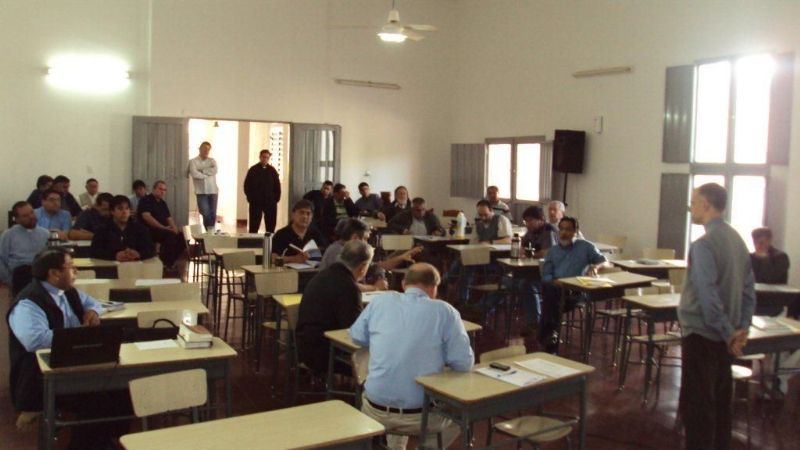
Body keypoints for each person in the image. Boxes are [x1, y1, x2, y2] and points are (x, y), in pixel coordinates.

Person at [7, 247, 131, 448]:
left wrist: (92, 311)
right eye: (71, 267)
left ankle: (99, 442)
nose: (76, 272)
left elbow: (94, 303)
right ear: (54, 273)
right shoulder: (28, 303)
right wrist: (79, 336)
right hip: (40, 374)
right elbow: (35, 341)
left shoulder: (67, 291)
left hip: (73, 363)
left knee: (122, 390)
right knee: (98, 398)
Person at [350, 263, 474, 450]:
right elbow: (464, 363)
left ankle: (396, 447)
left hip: (373, 410)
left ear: (403, 283)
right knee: (462, 415)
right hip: (421, 416)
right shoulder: (445, 311)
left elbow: (357, 337)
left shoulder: (380, 302)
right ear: (434, 288)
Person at [678, 183, 755, 450]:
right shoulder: (737, 241)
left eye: (693, 202)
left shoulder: (704, 245)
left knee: (698, 408)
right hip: (725, 339)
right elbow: (749, 292)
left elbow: (708, 297)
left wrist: (730, 333)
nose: (690, 207)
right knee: (722, 405)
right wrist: (740, 330)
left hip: (702, 336)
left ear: (706, 205)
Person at [296, 240, 372, 374]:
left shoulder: (323, 275)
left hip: (303, 347)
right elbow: (354, 330)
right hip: (324, 356)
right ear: (362, 267)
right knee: (378, 362)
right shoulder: (348, 287)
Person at [538, 216, 607, 353]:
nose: (564, 233)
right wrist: (556, 282)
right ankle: (550, 336)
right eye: (562, 229)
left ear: (575, 231)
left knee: (551, 301)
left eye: (568, 230)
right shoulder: (552, 251)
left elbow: (604, 261)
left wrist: (596, 267)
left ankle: (547, 336)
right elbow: (546, 275)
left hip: (576, 292)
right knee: (552, 291)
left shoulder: (585, 247)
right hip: (557, 288)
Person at [319, 218, 420, 292]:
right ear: (355, 238)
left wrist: (380, 276)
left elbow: (377, 266)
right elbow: (347, 285)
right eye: (366, 239)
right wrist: (375, 288)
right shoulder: (338, 252)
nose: (367, 243)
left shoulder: (354, 251)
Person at [445, 199, 512, 304]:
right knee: (464, 261)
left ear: (491, 210)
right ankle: (461, 297)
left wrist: (490, 242)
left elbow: (508, 240)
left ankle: (449, 282)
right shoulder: (478, 225)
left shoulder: (501, 220)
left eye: (485, 215)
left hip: (496, 260)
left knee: (465, 264)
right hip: (481, 257)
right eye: (480, 215)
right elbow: (473, 243)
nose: (483, 217)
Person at [515, 205, 558, 332]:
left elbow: (548, 252)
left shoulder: (549, 230)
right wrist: (525, 251)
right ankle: (482, 308)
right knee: (508, 281)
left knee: (526, 285)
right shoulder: (531, 231)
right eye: (526, 221)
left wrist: (532, 254)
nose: (528, 224)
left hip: (551, 274)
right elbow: (522, 248)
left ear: (541, 219)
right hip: (535, 270)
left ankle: (534, 322)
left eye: (530, 220)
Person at [0, 201, 49, 296]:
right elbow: (1, 260)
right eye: (25, 216)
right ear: (17, 220)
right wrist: (9, 280)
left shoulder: (45, 234)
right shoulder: (8, 235)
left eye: (32, 212)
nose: (31, 217)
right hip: (20, 275)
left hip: (41, 273)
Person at [137, 180, 187, 269]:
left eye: (164, 190)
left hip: (162, 229)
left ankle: (169, 262)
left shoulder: (163, 203)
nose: (162, 192)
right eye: (160, 189)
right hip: (147, 230)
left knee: (182, 237)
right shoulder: (145, 200)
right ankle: (164, 263)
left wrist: (175, 230)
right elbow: (146, 217)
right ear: (154, 189)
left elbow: (169, 218)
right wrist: (163, 227)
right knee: (170, 236)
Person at [91, 195, 156, 261]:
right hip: (111, 265)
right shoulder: (103, 229)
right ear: (112, 211)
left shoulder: (140, 229)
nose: (124, 212)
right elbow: (94, 251)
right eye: (120, 208)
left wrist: (139, 254)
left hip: (136, 265)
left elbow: (152, 250)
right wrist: (114, 255)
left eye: (127, 208)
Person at [271, 200, 327, 265]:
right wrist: (294, 259)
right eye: (301, 213)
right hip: (287, 270)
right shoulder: (281, 234)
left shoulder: (316, 234)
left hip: (312, 270)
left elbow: (325, 252)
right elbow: (273, 258)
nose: (305, 217)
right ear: (293, 215)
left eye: (308, 214)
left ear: (312, 218)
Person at [243, 149, 281, 233]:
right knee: (254, 225)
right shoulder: (253, 170)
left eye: (267, 157)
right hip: (256, 202)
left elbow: (277, 185)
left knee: (270, 224)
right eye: (264, 157)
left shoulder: (272, 170)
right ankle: (253, 240)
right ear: (260, 157)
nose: (265, 159)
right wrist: (251, 198)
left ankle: (269, 240)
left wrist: (276, 199)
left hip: (270, 202)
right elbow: (247, 185)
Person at [188, 141, 219, 229]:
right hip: (201, 191)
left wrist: (202, 171)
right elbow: (194, 174)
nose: (206, 151)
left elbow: (215, 170)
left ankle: (210, 232)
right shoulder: (193, 161)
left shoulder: (212, 161)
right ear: (200, 149)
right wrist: (206, 174)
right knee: (205, 212)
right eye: (204, 149)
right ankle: (210, 231)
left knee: (212, 213)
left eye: (208, 149)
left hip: (213, 190)